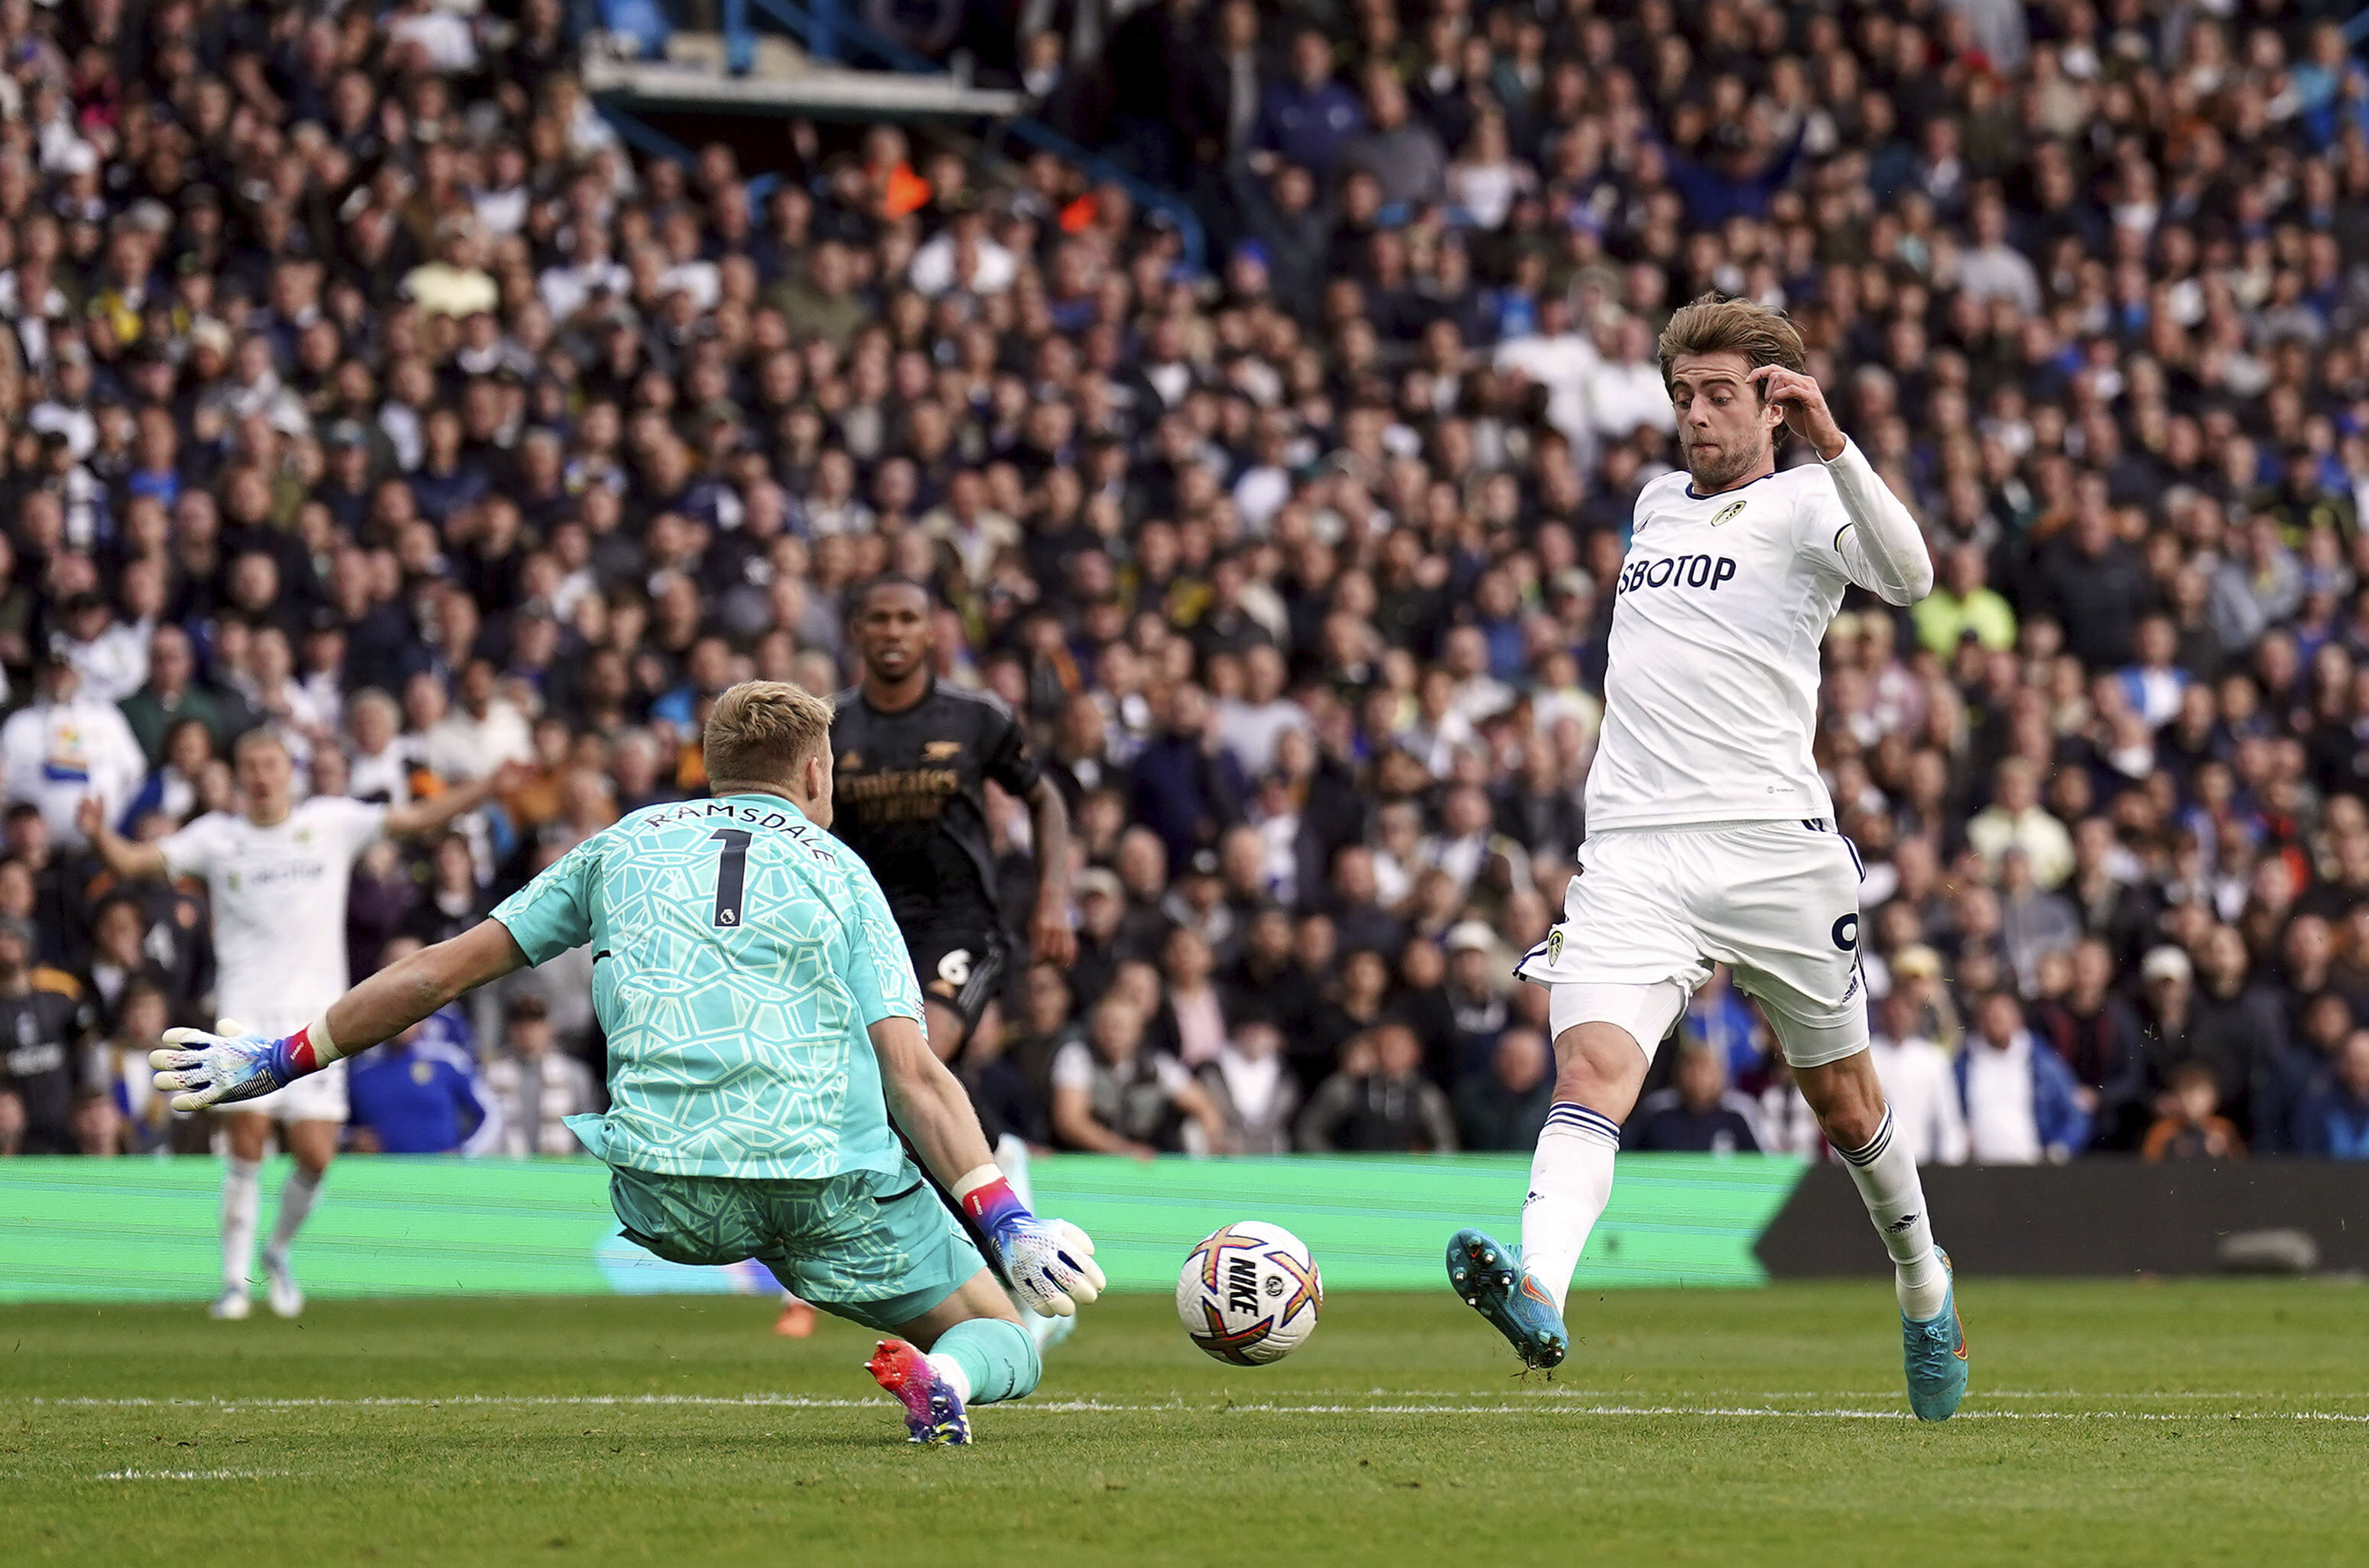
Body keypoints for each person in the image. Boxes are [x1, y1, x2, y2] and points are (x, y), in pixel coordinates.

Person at [148, 681, 1105, 1446]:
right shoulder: (840, 871)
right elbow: (915, 1070)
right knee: (1006, 1334)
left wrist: (281, 1056)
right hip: (820, 1184)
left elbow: (439, 972)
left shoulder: (619, 844)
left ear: (710, 769)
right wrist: (1005, 1216)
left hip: (662, 1189)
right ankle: (945, 1377)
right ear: (818, 773)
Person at [1453, 294, 1967, 1423]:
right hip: (1633, 847)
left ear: (1773, 405)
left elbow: (1912, 578)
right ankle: (1539, 1286)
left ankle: (1923, 1283)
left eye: (1719, 394)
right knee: (1590, 1073)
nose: (1694, 415)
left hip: (1771, 850)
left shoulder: (1803, 502)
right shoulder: (1651, 505)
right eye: (1682, 394)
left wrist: (1834, 441)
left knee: (1841, 1101)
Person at [79, 730, 517, 1320]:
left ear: (292, 772)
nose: (261, 774)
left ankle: (277, 1252)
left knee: (315, 1153)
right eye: (250, 765)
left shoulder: (332, 822)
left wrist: (487, 787)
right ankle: (233, 1283)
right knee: (248, 1139)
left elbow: (415, 819)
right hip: (244, 1016)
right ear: (237, 775)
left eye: (272, 764)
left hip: (318, 1020)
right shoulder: (217, 837)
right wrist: (98, 833)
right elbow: (135, 861)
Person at [830, 575, 1078, 1348]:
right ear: (857, 630)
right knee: (893, 1096)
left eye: (908, 616)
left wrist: (1051, 894)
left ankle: (1016, 1242)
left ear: (933, 630)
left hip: (959, 923)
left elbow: (1045, 797)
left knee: (918, 1057)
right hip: (867, 932)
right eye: (879, 616)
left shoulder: (976, 718)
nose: (894, 629)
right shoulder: (830, 725)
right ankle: (999, 1155)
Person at [479, 992, 598, 1157]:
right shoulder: (489, 1075)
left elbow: (588, 1133)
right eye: (520, 1024)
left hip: (559, 1172)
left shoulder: (574, 1075)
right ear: (509, 1029)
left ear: (548, 1027)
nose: (527, 1032)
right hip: (507, 1171)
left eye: (535, 1023)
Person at [1623, 1041, 1763, 1154]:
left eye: (1704, 1069)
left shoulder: (1736, 1115)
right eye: (1690, 1068)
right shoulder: (1658, 1113)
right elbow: (1629, 1156)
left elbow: (1759, 1165)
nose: (1697, 1077)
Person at [2140, 1062, 2247, 1162]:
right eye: (2189, 1098)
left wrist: (2221, 1152)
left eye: (2200, 1098)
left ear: (2213, 1099)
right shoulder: (2164, 1129)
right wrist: (2172, 1149)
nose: (2195, 1106)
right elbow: (2149, 1163)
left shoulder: (2223, 1129)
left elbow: (2241, 1163)